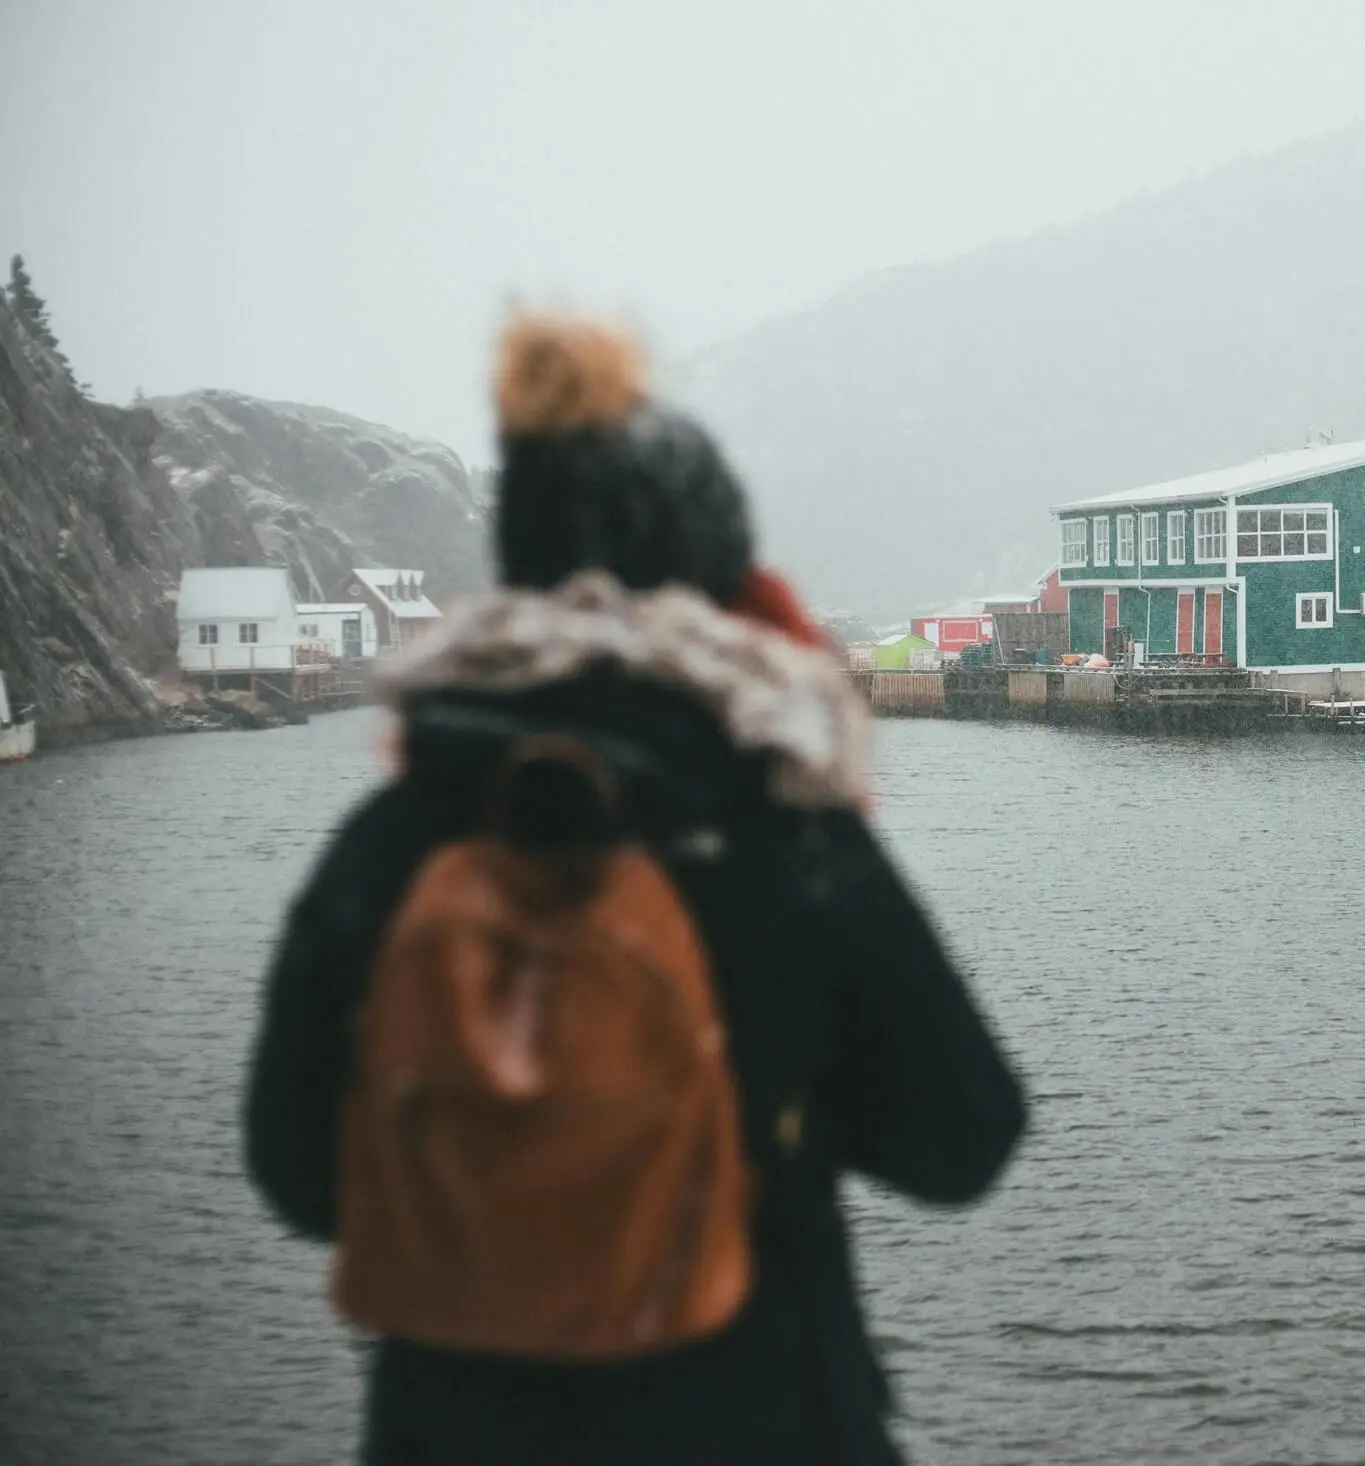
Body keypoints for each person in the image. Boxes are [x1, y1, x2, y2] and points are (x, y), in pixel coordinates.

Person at [244, 314, 1025, 1466]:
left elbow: (296, 1171)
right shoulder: (778, 826)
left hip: (452, 1428)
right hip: (758, 1414)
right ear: (717, 576)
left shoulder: (402, 831)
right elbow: (965, 1139)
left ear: (522, 566)